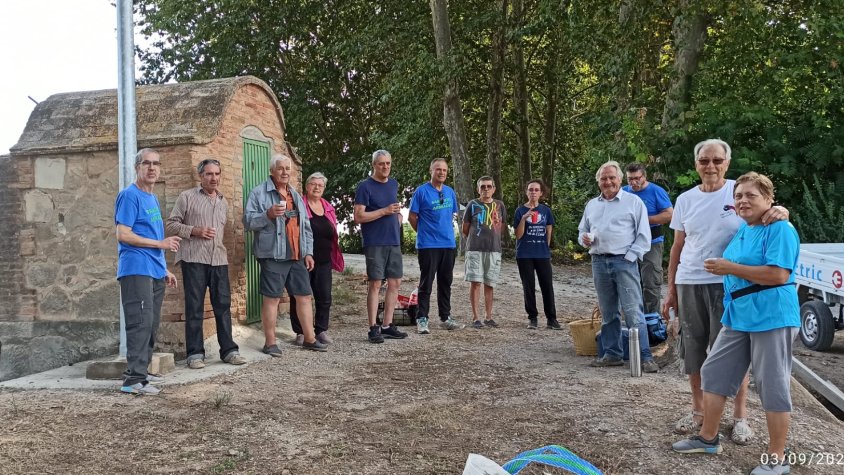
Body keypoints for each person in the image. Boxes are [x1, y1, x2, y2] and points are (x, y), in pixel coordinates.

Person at [673, 172, 800, 475]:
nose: (743, 200)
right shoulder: (745, 228)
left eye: (751, 195)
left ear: (769, 199)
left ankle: (777, 459)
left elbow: (779, 275)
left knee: (772, 384)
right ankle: (708, 438)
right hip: (739, 315)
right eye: (739, 195)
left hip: (771, 315)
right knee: (713, 371)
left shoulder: (779, 228)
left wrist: (730, 267)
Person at [663, 139, 788, 443]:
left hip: (733, 286)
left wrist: (781, 210)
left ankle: (741, 416)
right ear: (696, 164)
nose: (711, 166)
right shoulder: (686, 199)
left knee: (732, 353)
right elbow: (677, 246)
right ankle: (699, 411)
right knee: (692, 350)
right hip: (690, 280)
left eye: (717, 160)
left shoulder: (740, 193)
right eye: (704, 161)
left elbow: (764, 216)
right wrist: (671, 289)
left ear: (727, 163)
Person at [578, 161, 659, 373]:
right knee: (608, 311)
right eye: (604, 178)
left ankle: (645, 356)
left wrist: (630, 258)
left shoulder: (633, 202)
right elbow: (582, 231)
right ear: (598, 182)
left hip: (624, 261)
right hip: (598, 262)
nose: (608, 182)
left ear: (620, 180)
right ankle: (612, 354)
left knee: (633, 311)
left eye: (612, 178)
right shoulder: (592, 205)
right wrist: (583, 239)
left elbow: (644, 236)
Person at [165, 159, 246, 369]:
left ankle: (229, 351)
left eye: (217, 174)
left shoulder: (223, 201)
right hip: (193, 259)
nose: (214, 178)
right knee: (194, 308)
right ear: (201, 176)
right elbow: (171, 224)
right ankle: (195, 354)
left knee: (223, 306)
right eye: (209, 174)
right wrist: (195, 231)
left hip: (219, 260)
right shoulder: (187, 197)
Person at [243, 154, 327, 354]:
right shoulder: (258, 193)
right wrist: (267, 215)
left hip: (297, 255)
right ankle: (270, 343)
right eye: (281, 168)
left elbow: (305, 226)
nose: (285, 172)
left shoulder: (295, 195)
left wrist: (308, 252)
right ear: (272, 171)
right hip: (273, 255)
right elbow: (247, 222)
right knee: (272, 298)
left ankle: (309, 338)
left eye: (288, 169)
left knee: (304, 296)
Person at [115, 148, 180, 395]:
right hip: (135, 268)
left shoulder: (151, 198)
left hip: (153, 269)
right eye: (146, 164)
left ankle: (141, 375)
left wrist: (163, 268)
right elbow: (124, 234)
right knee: (139, 323)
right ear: (137, 168)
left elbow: (151, 234)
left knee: (150, 325)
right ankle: (132, 380)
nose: (152, 168)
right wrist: (161, 245)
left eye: (156, 164)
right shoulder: (129, 196)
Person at [353, 150, 408, 343]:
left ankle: (387, 325)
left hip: (393, 241)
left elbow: (394, 210)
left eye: (388, 163)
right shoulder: (364, 187)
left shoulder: (393, 184)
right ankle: (373, 328)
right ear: (374, 165)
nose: (385, 167)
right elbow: (358, 217)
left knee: (395, 283)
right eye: (381, 164)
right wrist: (385, 211)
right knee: (376, 283)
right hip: (374, 242)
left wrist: (398, 217)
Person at [289, 172, 345, 345]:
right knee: (299, 295)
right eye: (313, 184)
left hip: (324, 258)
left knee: (324, 296)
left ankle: (321, 330)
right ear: (306, 186)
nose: (316, 187)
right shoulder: (300, 205)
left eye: (320, 185)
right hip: (303, 257)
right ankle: (300, 332)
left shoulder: (328, 207)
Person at [409, 158, 463, 333]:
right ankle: (422, 318)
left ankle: (445, 317)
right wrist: (424, 233)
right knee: (427, 282)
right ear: (431, 171)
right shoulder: (421, 192)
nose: (441, 172)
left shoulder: (449, 192)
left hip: (448, 244)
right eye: (438, 169)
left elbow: (451, 215)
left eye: (445, 170)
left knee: (446, 281)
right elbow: (412, 217)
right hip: (428, 245)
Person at [623, 163, 673, 315]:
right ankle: (632, 317)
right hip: (628, 243)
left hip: (651, 243)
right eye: (630, 179)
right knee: (629, 282)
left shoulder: (656, 191)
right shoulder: (623, 192)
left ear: (644, 176)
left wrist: (644, 220)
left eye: (637, 178)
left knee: (650, 282)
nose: (633, 183)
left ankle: (652, 318)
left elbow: (670, 214)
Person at [513, 179, 560, 330]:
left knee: (547, 286)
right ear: (526, 192)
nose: (533, 192)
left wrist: (545, 248)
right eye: (530, 189)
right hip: (524, 254)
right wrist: (524, 219)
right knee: (529, 286)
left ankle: (551, 319)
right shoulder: (520, 211)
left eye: (536, 190)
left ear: (541, 193)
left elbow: (549, 230)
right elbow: (518, 236)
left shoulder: (546, 210)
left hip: (542, 254)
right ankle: (532, 318)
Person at [461, 176, 507, 329]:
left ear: (494, 189)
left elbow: (502, 228)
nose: (486, 189)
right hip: (474, 249)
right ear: (478, 189)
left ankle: (489, 317)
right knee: (476, 283)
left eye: (488, 186)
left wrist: (493, 228)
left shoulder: (500, 205)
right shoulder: (472, 204)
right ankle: (476, 318)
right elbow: (465, 229)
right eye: (482, 187)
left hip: (494, 250)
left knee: (490, 283)